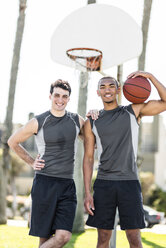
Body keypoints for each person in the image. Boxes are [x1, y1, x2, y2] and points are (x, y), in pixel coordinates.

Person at [83, 71, 166, 248]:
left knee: (134, 237)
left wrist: (150, 77)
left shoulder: (133, 111)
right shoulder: (92, 121)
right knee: (103, 238)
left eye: (111, 85)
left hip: (129, 182)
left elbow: (165, 102)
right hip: (104, 183)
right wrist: (88, 192)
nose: (107, 90)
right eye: (103, 86)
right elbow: (88, 158)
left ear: (118, 90)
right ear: (98, 92)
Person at [8, 79, 84, 248]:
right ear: (50, 96)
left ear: (68, 99)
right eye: (57, 95)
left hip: (67, 184)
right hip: (45, 183)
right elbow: (13, 141)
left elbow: (92, 138)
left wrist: (94, 115)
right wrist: (31, 162)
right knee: (44, 238)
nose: (60, 99)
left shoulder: (76, 120)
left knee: (63, 236)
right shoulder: (39, 121)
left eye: (64, 96)